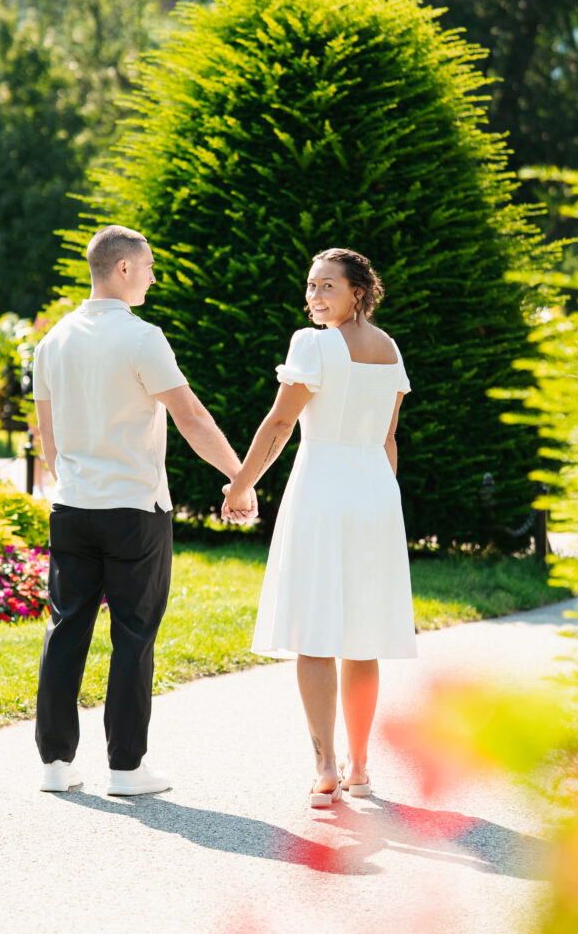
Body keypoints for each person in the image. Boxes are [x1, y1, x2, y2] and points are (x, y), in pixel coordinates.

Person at [33, 225, 253, 797]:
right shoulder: (142, 338)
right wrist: (240, 478)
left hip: (72, 507)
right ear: (123, 268)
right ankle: (127, 769)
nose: (154, 277)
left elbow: (47, 438)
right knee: (133, 634)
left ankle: (55, 763)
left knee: (65, 628)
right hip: (134, 509)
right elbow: (192, 417)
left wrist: (73, 481)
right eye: (149, 266)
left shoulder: (52, 340)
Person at [222, 247, 416, 808]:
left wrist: (240, 484)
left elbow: (280, 422)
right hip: (376, 494)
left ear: (359, 292)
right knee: (362, 633)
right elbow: (388, 437)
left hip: (323, 490)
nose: (314, 296)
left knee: (315, 633)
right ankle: (360, 768)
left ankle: (327, 767)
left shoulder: (312, 345)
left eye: (328, 286)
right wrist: (383, 500)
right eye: (311, 286)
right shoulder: (389, 348)